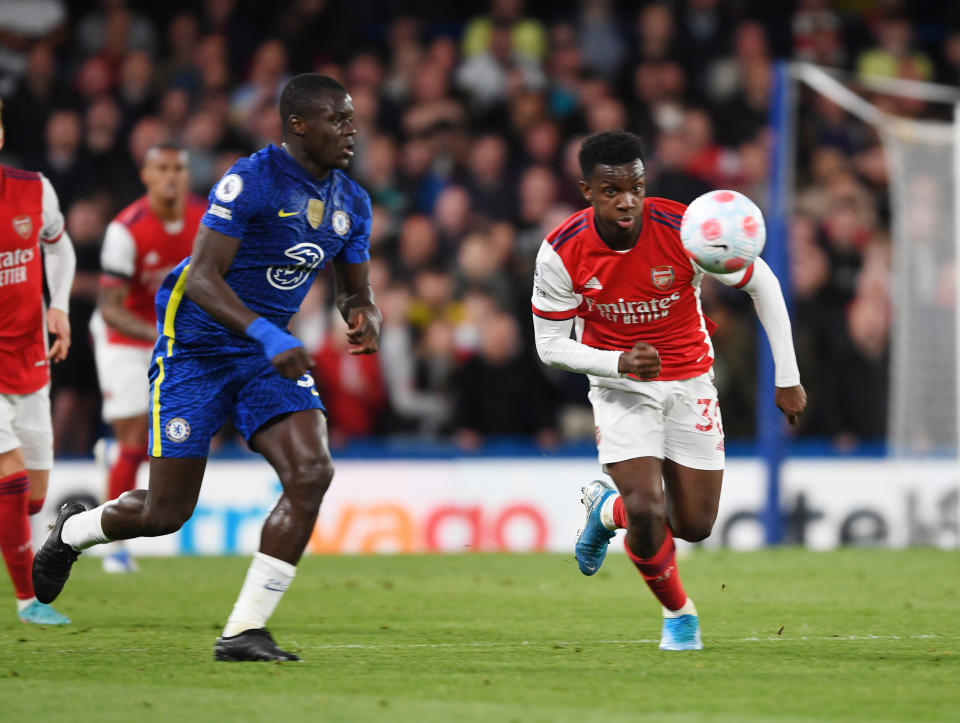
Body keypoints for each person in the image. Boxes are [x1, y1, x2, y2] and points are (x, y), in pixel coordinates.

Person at [33, 73, 381, 661]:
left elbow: (354, 291)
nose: (352, 130)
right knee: (166, 513)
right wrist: (270, 333)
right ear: (299, 124)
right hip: (195, 349)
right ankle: (71, 532)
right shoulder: (252, 180)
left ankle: (243, 631)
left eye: (352, 119)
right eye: (338, 119)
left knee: (311, 474)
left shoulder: (352, 202)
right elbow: (200, 277)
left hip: (266, 355)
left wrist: (364, 312)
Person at [531, 130, 806, 651]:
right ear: (586, 190)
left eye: (634, 185)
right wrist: (616, 363)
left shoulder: (684, 229)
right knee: (647, 508)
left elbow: (761, 283)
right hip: (620, 387)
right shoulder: (561, 253)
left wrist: (787, 376)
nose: (627, 199)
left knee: (695, 525)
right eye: (612, 190)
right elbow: (549, 345)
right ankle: (679, 614)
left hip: (690, 378)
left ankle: (604, 511)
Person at [90, 141, 204, 573]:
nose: (171, 176)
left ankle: (116, 457)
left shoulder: (204, 220)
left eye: (179, 167)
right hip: (126, 337)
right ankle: (115, 547)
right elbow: (110, 307)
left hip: (176, 338)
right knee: (136, 436)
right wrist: (162, 332)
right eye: (162, 168)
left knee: (159, 440)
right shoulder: (126, 229)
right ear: (147, 176)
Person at [0, 97, 76, 625]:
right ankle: (28, 599)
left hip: (29, 356)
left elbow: (61, 248)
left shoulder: (33, 190)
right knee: (11, 476)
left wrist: (59, 305)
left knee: (33, 497)